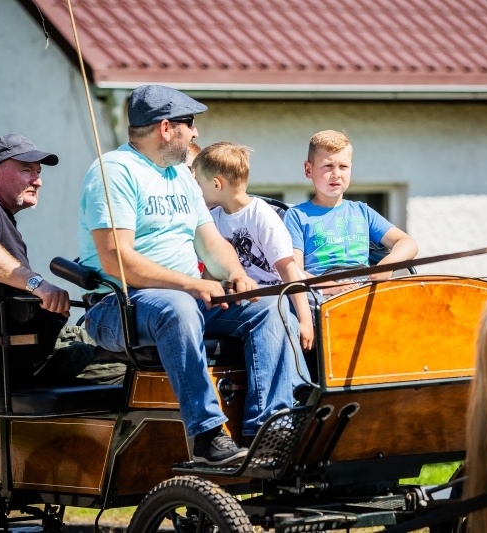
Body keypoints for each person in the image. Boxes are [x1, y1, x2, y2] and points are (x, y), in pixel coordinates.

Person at [77, 85, 299, 466]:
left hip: (186, 300)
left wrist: (235, 273)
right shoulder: (113, 172)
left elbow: (211, 244)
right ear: (167, 128)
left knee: (267, 305)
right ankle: (208, 434)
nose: (196, 133)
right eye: (190, 123)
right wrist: (192, 284)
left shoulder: (182, 176)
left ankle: (269, 430)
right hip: (119, 306)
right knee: (178, 306)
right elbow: (118, 262)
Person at [0, 134, 117, 392]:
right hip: (18, 361)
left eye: (38, 172)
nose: (38, 181)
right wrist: (37, 284)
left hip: (32, 348)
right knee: (134, 367)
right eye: (27, 170)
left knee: (119, 340)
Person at [193, 141, 314, 351]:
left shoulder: (261, 215)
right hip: (253, 301)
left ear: (216, 184)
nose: (197, 190)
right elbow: (211, 275)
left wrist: (306, 321)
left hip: (291, 297)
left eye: (198, 183)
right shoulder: (213, 219)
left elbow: (288, 270)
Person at [284, 130, 419, 296]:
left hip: (364, 292)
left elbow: (407, 243)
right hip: (321, 297)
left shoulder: (362, 211)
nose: (336, 174)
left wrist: (387, 265)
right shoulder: (296, 216)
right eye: (328, 166)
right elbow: (293, 271)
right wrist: (331, 287)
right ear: (308, 169)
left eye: (343, 167)